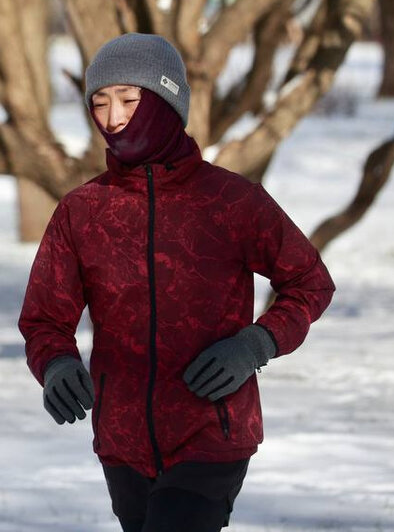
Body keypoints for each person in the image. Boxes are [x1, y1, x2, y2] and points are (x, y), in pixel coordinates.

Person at [18, 33, 336, 532]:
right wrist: (55, 363)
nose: (113, 117)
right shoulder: (83, 212)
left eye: (128, 99)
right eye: (99, 103)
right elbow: (44, 317)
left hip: (213, 428)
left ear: (167, 101)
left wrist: (255, 344)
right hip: (122, 439)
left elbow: (310, 283)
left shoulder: (231, 202)